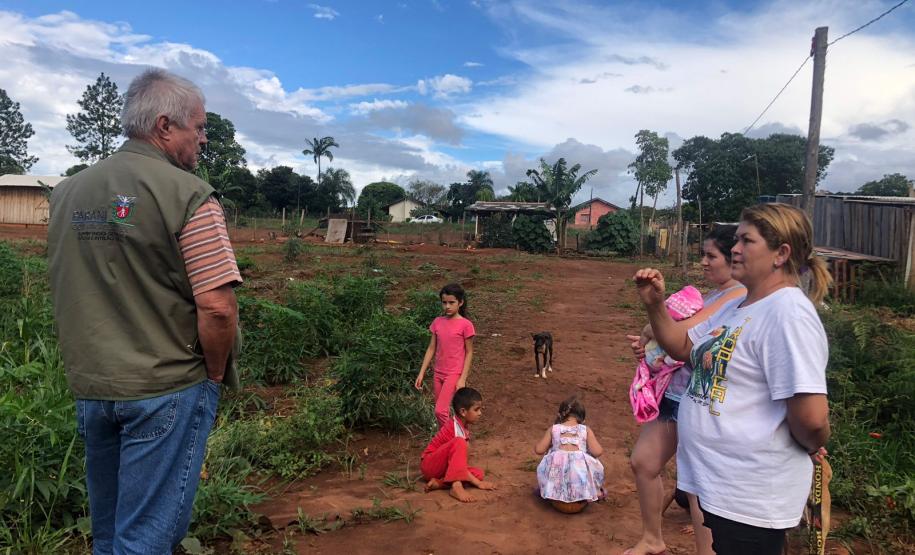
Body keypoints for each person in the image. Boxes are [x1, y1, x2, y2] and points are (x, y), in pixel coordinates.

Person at [48, 68, 241, 554]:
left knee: (110, 531)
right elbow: (217, 307)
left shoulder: (67, 193)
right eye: (198, 127)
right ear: (163, 126)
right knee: (148, 536)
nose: (202, 138)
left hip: (93, 387)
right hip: (166, 387)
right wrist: (214, 374)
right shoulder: (189, 195)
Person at [634, 203, 831, 555]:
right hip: (722, 487)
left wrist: (808, 444)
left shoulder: (788, 314)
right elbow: (681, 346)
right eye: (736, 239)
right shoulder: (737, 307)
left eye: (746, 241)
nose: (735, 249)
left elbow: (812, 419)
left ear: (780, 254)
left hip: (751, 497)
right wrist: (655, 304)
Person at [623, 226, 745, 555]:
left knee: (696, 488)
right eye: (702, 255)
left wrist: (653, 332)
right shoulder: (711, 296)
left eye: (711, 256)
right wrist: (650, 343)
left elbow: (680, 330)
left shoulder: (737, 294)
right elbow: (669, 332)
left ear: (732, 258)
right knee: (644, 462)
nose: (703, 262)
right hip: (677, 395)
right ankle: (653, 538)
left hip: (699, 399)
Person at [414, 283, 476, 427]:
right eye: (444, 302)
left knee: (440, 411)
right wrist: (421, 373)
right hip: (438, 373)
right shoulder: (437, 322)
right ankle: (450, 443)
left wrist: (462, 379)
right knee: (443, 413)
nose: (447, 306)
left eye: (451, 302)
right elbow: (431, 348)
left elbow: (469, 352)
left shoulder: (466, 325)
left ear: (460, 303)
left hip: (453, 374)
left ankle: (454, 437)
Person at [420, 387, 496, 502]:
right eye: (476, 410)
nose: (480, 413)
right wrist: (478, 484)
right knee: (460, 442)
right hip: (429, 465)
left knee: (478, 474)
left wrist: (477, 480)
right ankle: (456, 487)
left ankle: (440, 483)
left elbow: (459, 463)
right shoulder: (454, 427)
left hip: (440, 468)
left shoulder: (462, 425)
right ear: (463, 412)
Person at [534, 396, 605, 505]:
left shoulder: (554, 429)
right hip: (579, 479)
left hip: (556, 479)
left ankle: (549, 490)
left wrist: (552, 448)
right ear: (583, 419)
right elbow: (597, 451)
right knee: (591, 463)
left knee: (549, 459)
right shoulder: (585, 430)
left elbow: (539, 450)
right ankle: (593, 491)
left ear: (560, 415)